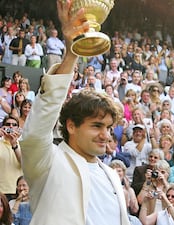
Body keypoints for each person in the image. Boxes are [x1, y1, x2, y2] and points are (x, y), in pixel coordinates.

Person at [19, 1, 130, 224]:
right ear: (71, 125)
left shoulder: (111, 175)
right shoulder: (48, 162)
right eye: (96, 125)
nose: (105, 135)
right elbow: (35, 132)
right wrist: (71, 54)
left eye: (108, 127)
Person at [0, 115, 22, 199]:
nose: (11, 126)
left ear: (18, 128)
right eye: (8, 124)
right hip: (1, 191)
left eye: (14, 125)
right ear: (3, 127)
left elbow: (23, 162)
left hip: (18, 190)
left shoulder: (23, 144)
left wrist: (14, 145)